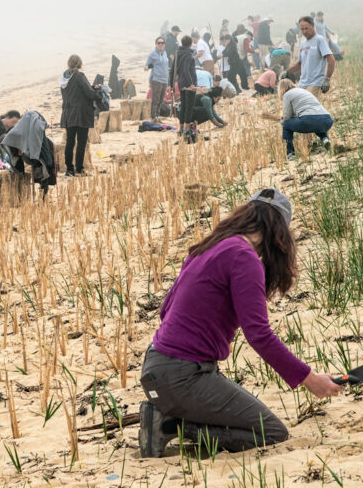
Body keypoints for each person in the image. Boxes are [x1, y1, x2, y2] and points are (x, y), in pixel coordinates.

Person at [139, 188, 343, 456]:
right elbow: (259, 336)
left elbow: (165, 311)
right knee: (271, 432)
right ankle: (171, 426)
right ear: (280, 232)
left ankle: (167, 413)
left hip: (155, 369)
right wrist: (309, 379)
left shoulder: (208, 247)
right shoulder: (244, 258)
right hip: (183, 377)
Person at [59, 55, 101, 176]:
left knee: (70, 142)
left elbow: (76, 91)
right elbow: (89, 93)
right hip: (80, 114)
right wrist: (98, 92)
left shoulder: (64, 78)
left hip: (68, 114)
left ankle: (69, 170)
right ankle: (79, 169)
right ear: (80, 63)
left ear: (69, 64)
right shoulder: (79, 76)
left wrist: (92, 88)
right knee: (81, 142)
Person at [279, 79, 333, 160]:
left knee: (286, 125)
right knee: (316, 122)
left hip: (308, 120)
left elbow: (288, 116)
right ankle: (325, 139)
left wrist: (282, 121)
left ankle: (290, 153)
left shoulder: (287, 95)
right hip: (327, 120)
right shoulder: (303, 91)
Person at [287, 16, 335, 96]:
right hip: (302, 83)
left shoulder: (320, 40)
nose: (304, 31)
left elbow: (331, 60)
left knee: (309, 107)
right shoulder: (303, 44)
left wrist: (327, 79)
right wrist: (287, 72)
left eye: (306, 28)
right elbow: (300, 64)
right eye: (302, 29)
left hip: (315, 83)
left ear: (313, 26)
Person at [170, 35, 197, 139]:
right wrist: (191, 84)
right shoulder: (188, 55)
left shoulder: (178, 54)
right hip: (188, 85)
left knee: (184, 106)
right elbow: (186, 70)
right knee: (189, 107)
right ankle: (186, 130)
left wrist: (171, 85)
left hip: (181, 83)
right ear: (190, 44)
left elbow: (172, 70)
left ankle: (181, 129)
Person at [145, 37, 171, 120]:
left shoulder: (165, 53)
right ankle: (153, 117)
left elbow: (165, 65)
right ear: (156, 44)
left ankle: (157, 115)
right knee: (155, 100)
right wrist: (148, 66)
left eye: (162, 43)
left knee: (161, 100)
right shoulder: (152, 54)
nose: (160, 44)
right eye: (158, 43)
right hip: (156, 79)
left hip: (165, 80)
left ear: (164, 45)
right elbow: (145, 67)